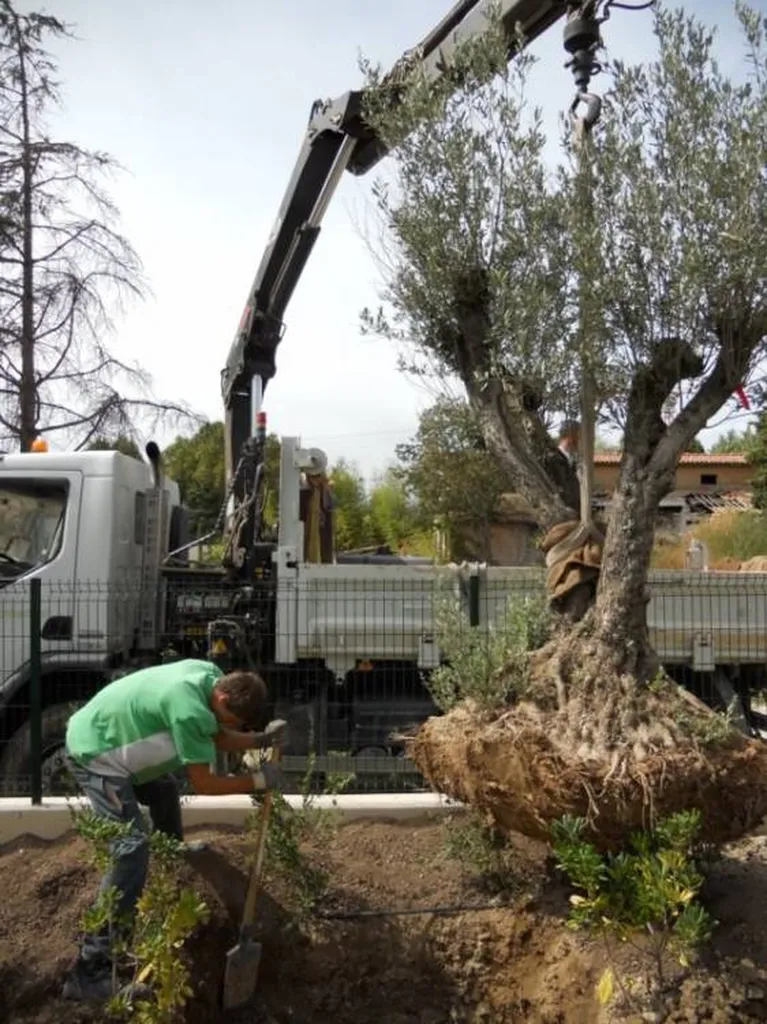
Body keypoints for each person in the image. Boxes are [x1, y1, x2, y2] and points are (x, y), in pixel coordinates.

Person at [61, 658, 287, 1003]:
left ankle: (171, 856)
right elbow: (205, 783)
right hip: (95, 754)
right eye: (234, 720)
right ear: (224, 700)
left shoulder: (209, 678)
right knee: (130, 847)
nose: (230, 727)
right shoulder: (189, 711)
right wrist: (256, 780)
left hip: (114, 737)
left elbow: (218, 734)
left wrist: (258, 740)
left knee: (163, 791)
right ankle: (89, 971)